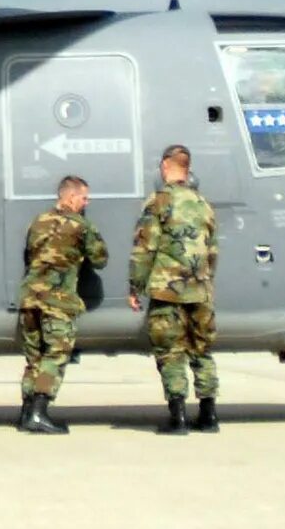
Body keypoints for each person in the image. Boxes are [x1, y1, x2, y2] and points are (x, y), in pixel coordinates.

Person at [128, 145, 220, 434]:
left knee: (170, 352)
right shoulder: (204, 204)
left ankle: (178, 417)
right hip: (201, 289)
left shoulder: (158, 202)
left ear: (166, 166)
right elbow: (213, 251)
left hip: (168, 291)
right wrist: (205, 281)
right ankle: (209, 416)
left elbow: (145, 247)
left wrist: (136, 286)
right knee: (202, 351)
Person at [15, 175, 106, 434]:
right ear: (70, 197)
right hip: (58, 301)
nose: (86, 203)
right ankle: (39, 413)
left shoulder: (38, 221)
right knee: (56, 355)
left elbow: (29, 255)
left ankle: (26, 414)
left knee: (35, 359)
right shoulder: (81, 225)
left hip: (30, 299)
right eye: (84, 197)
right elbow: (100, 259)